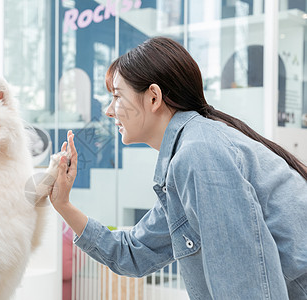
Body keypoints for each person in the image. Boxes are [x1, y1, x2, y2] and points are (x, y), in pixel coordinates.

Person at [49, 37, 307, 299]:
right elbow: (134, 252)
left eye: (117, 96)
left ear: (153, 97)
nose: (108, 110)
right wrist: (63, 204)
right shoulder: (191, 152)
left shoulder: (200, 154)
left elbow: (246, 291)